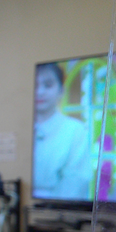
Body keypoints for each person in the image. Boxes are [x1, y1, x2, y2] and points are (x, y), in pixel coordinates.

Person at [32, 63, 91, 200]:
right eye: (35, 85)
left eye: (48, 85)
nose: (40, 92)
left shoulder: (75, 130)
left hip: (58, 208)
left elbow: (76, 184)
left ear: (61, 91)